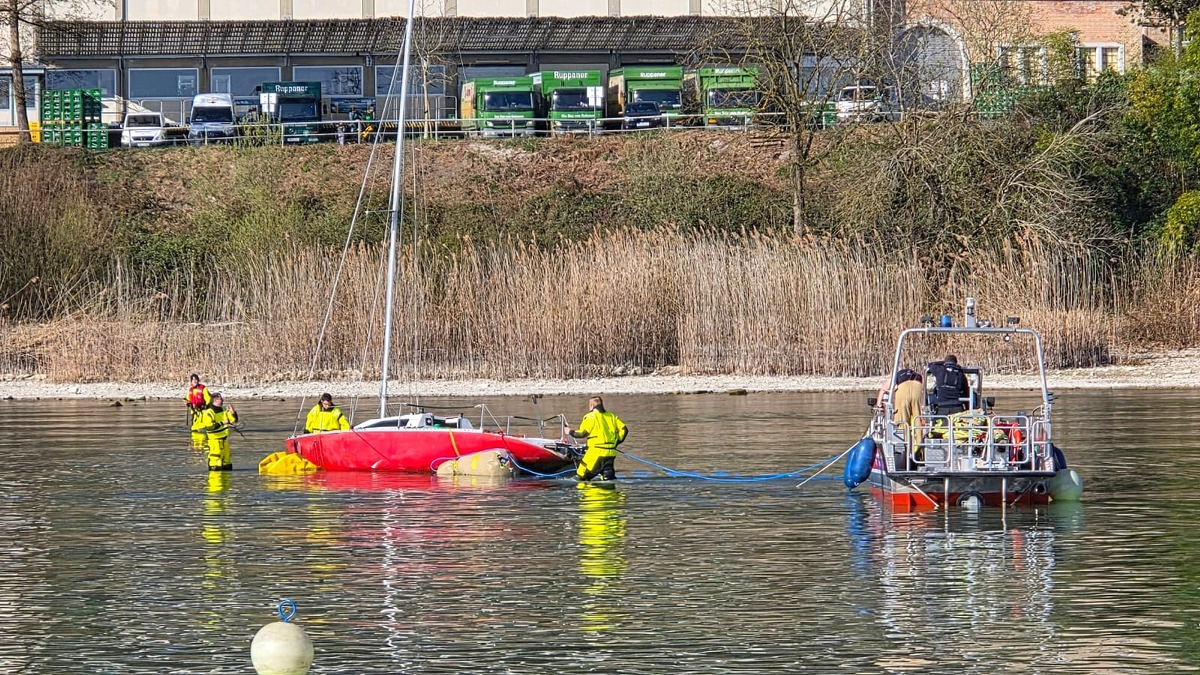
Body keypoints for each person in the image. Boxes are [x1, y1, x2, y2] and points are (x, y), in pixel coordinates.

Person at [565, 396, 628, 482]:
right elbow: (624, 430)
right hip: (611, 453)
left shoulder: (590, 417)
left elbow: (582, 433)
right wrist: (615, 442)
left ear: (591, 406)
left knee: (581, 475)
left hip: (596, 453)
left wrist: (569, 431)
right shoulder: (612, 416)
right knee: (608, 479)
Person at [196, 392, 238, 471]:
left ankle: (226, 480)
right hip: (214, 441)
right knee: (216, 462)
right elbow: (210, 427)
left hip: (224, 440)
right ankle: (215, 480)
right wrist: (222, 423)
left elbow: (234, 420)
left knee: (227, 462)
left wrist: (233, 413)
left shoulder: (223, 410)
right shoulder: (208, 413)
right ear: (215, 400)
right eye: (220, 399)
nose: (222, 400)